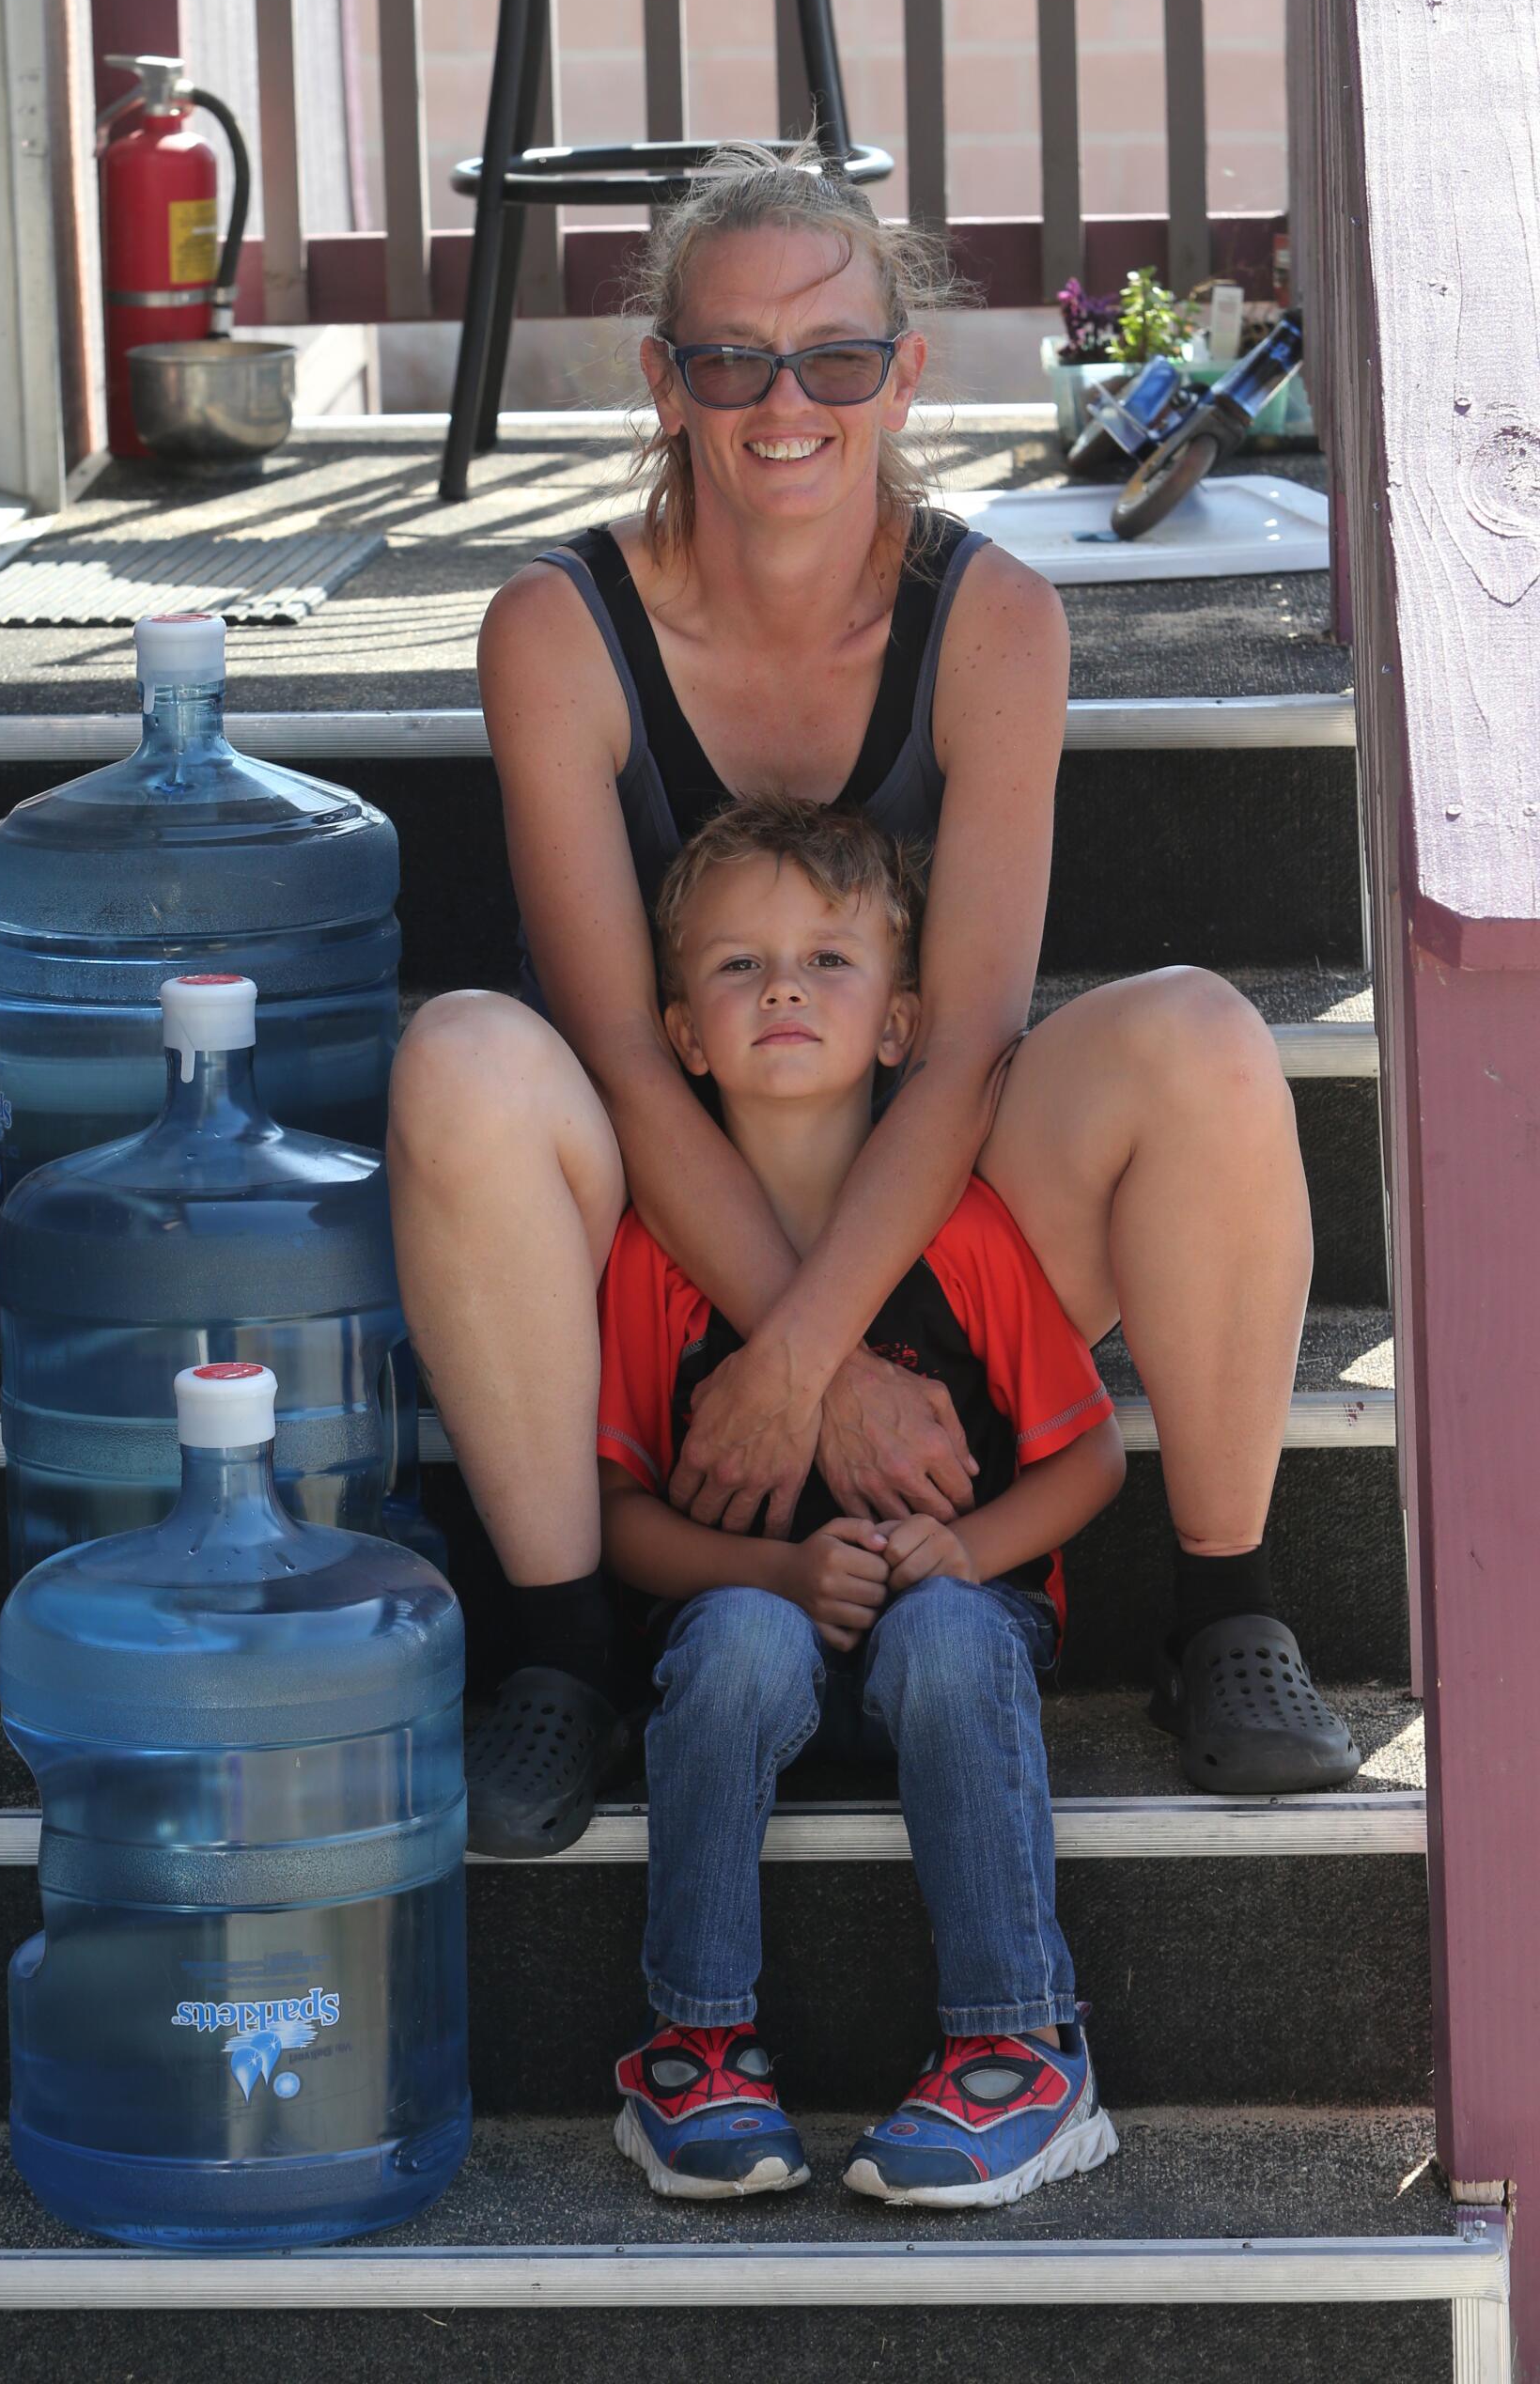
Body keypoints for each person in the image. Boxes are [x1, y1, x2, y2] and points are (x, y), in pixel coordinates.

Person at [389, 142, 1359, 1857]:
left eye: (838, 356)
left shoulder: (992, 618)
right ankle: (558, 1647)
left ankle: (1225, 1611)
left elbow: (974, 1037)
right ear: (664, 381)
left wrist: (820, 1347)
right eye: (733, 359)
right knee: (465, 1058)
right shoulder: (557, 627)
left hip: (945, 1219)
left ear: (904, 375)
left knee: (1204, 1035)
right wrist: (807, 1375)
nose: (788, 404)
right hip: (654, 1242)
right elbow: (617, 1045)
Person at [599, 796, 1125, 2205]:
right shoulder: (653, 1252)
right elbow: (614, 1519)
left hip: (956, 1644)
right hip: (758, 1645)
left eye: (829, 961)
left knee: (953, 1635)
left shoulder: (962, 1227)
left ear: (899, 1025)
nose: (782, 988)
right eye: (737, 966)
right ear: (681, 1035)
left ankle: (1023, 2046)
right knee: (729, 1645)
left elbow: (1091, 1459)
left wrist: (966, 1548)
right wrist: (768, 1577)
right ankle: (693, 2050)